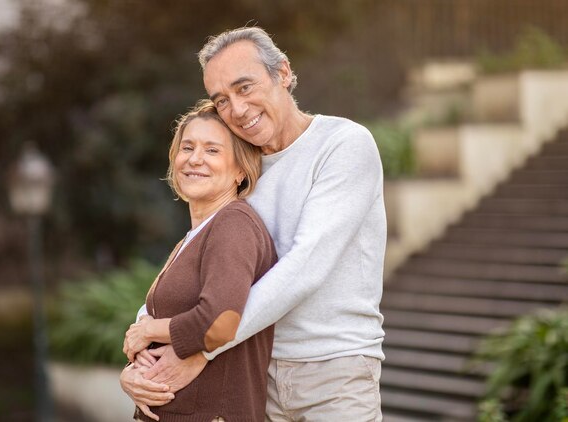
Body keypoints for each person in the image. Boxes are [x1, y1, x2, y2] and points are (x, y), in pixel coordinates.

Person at [123, 26, 387, 421]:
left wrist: (202, 347)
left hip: (333, 371)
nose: (238, 109)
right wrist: (137, 358)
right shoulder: (242, 168)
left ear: (282, 73)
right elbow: (198, 262)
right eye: (222, 100)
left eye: (245, 88)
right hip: (256, 373)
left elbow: (306, 267)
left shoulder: (343, 145)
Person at [120, 100, 277, 421]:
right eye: (187, 147)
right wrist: (132, 374)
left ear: (240, 170)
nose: (194, 159)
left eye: (212, 151)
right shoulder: (191, 238)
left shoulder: (233, 224)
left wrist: (150, 329)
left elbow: (219, 321)